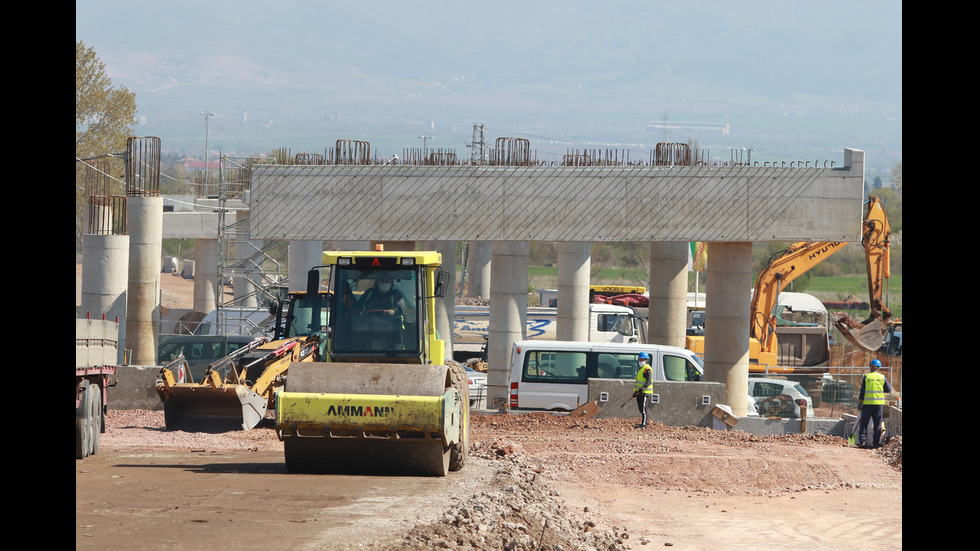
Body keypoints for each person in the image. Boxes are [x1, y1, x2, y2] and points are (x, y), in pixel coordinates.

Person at [857, 358, 892, 449]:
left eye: (870, 366)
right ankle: (875, 444)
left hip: (868, 404)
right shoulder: (882, 377)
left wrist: (860, 402)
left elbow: (862, 391)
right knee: (878, 425)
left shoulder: (867, 377)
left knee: (864, 423)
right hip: (879, 405)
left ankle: (862, 442)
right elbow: (889, 390)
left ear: (873, 367)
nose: (869, 367)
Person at [633, 352, 654, 429]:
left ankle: (644, 425)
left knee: (644, 409)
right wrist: (636, 392)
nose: (640, 361)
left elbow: (649, 381)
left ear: (646, 360)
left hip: (645, 392)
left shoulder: (647, 369)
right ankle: (643, 423)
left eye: (642, 359)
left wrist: (643, 388)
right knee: (641, 408)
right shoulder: (641, 369)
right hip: (640, 392)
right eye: (639, 359)